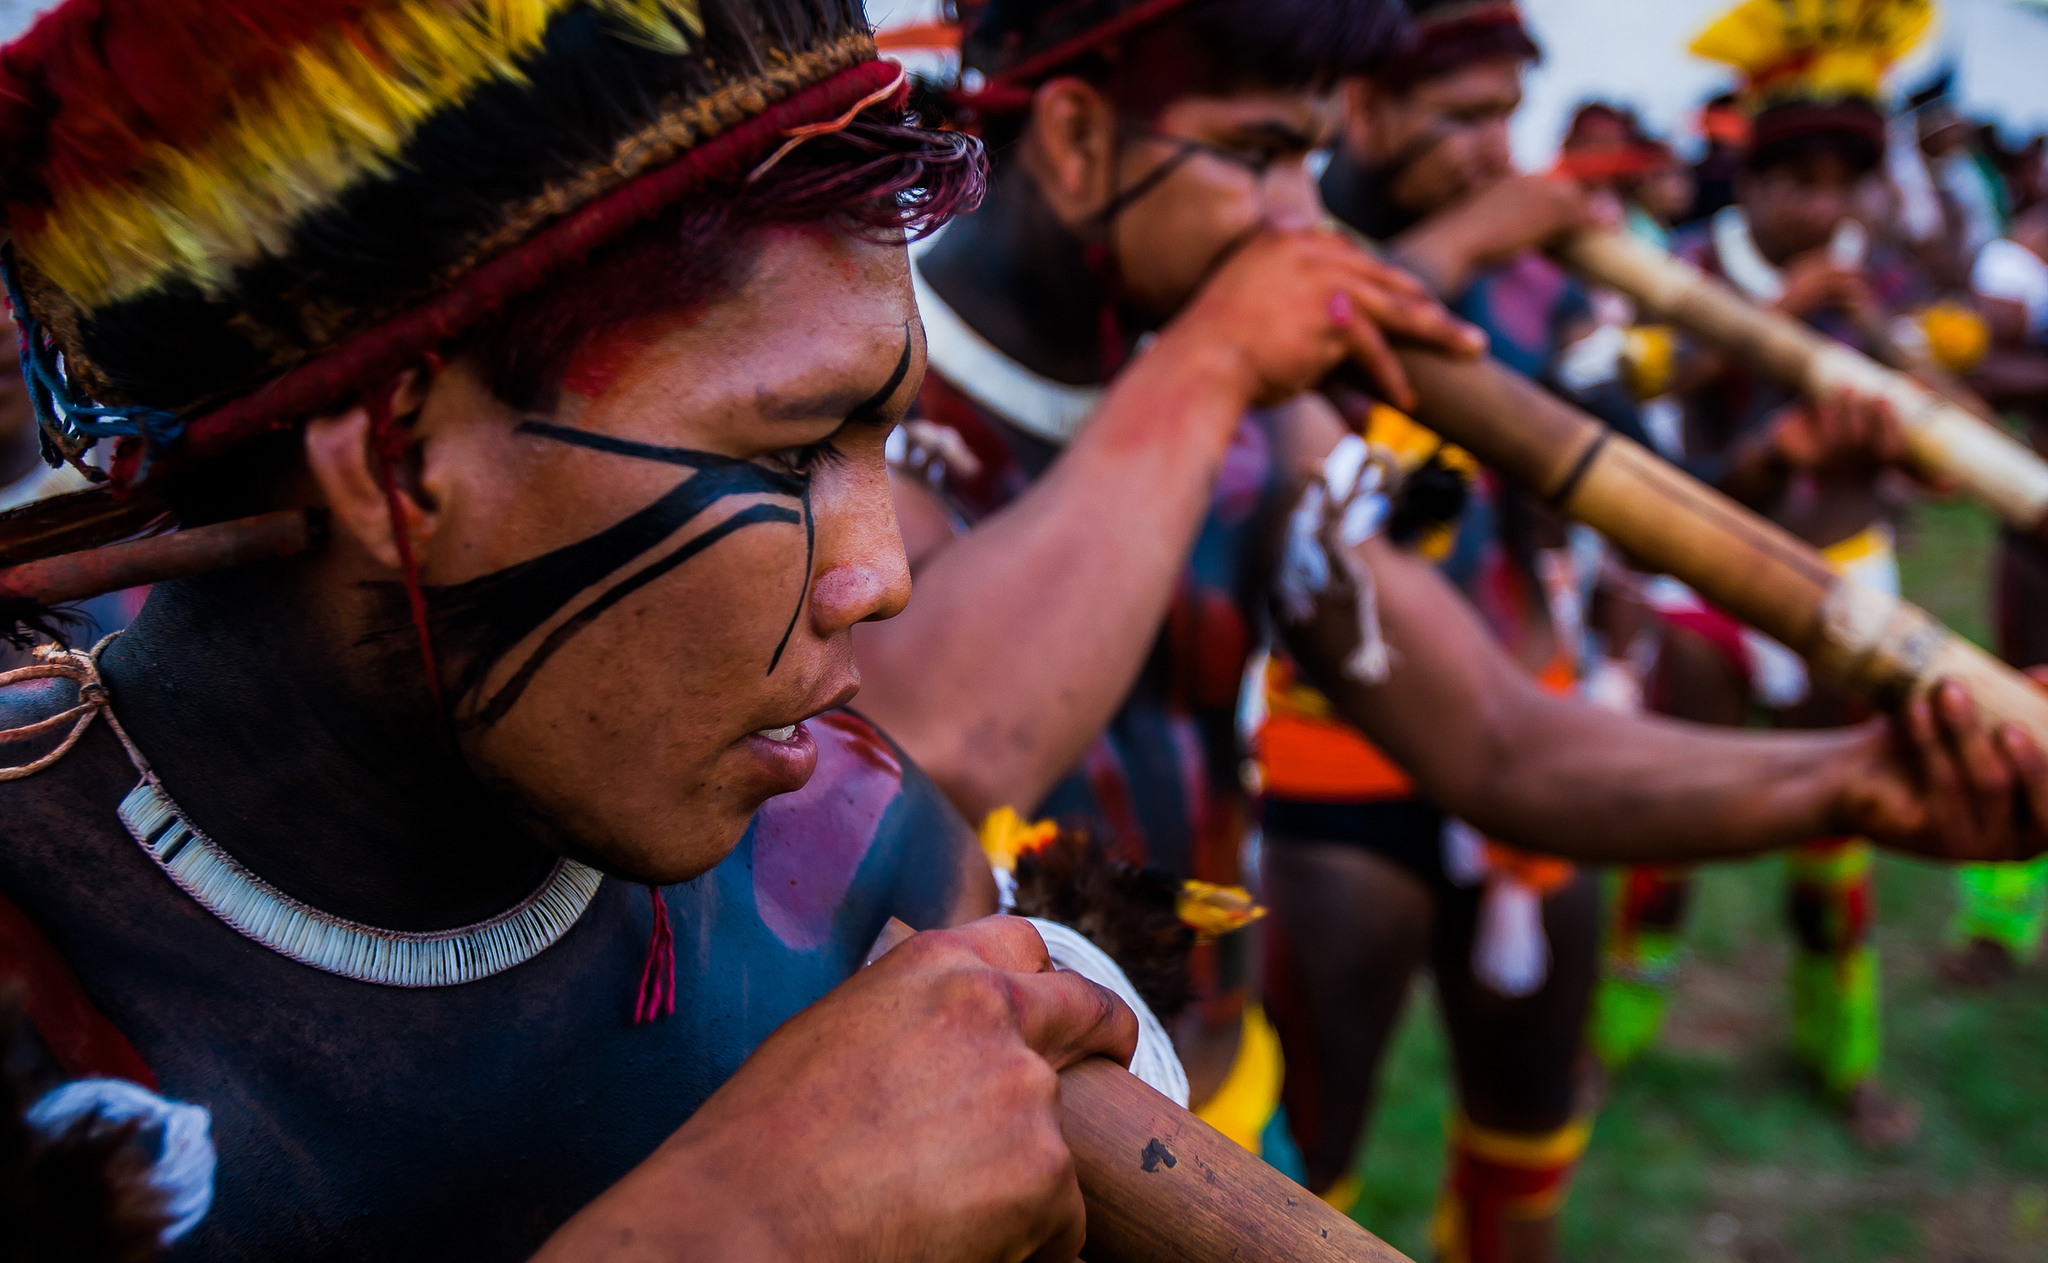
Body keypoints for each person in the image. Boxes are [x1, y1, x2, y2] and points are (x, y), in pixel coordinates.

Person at [853, 0, 2048, 1211]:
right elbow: (945, 740)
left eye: (1310, 167)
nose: (1299, 224)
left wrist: (1850, 778)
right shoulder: (863, 404)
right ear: (1070, 137)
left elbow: (1492, 737)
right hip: (982, 1184)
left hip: (1217, 1134)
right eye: (1262, 156)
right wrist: (1212, 356)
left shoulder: (1254, 417)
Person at [0, 2, 1149, 1258]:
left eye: (875, 441)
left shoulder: (859, 856)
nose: (879, 577)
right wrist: (750, 1226)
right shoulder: (37, 994)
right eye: (793, 448)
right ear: (406, 466)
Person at [1255, 6, 1647, 1256]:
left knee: (1527, 1139)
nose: (1496, 151)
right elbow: (1284, 365)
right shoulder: (1263, 249)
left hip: (1524, 727)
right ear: (1358, 111)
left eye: (1505, 117)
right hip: (1328, 770)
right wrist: (1469, 236)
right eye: (1460, 118)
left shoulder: (1530, 282)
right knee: (1302, 1179)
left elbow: (1601, 478)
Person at [1600, 0, 1941, 1150]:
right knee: (1668, 825)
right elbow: (1644, 425)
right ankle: (1614, 1042)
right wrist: (1764, 326)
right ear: (1748, 182)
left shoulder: (1874, 283)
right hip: (1713, 585)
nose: (1824, 209)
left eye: (1846, 183)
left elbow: (1941, 441)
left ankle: (1841, 1055)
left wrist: (1885, 356)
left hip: (1846, 582)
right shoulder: (1688, 273)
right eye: (1798, 181)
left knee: (1839, 835)